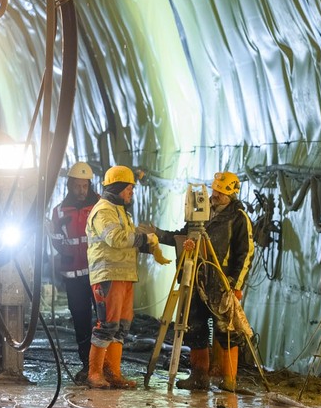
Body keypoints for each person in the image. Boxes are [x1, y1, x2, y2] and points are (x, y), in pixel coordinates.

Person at [151, 171, 254, 392]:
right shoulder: (201, 211)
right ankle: (199, 377)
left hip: (221, 281)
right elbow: (184, 235)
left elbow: (245, 255)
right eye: (214, 189)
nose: (215, 194)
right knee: (194, 328)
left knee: (227, 330)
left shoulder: (238, 218)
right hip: (196, 277)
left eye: (220, 191)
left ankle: (229, 380)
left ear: (231, 194)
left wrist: (235, 286)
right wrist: (158, 234)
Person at [85, 165, 171, 389]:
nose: (132, 192)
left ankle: (113, 373)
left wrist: (148, 245)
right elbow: (115, 238)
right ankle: (95, 373)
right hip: (108, 276)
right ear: (118, 187)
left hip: (124, 275)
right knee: (107, 325)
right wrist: (144, 239)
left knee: (121, 327)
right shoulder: (103, 210)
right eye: (129, 188)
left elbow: (127, 241)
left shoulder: (120, 210)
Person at [47, 161, 99, 381]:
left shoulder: (100, 207)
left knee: (106, 322)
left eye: (84, 186)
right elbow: (57, 243)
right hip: (74, 277)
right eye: (77, 186)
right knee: (81, 320)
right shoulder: (58, 212)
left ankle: (106, 367)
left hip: (98, 273)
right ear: (69, 185)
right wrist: (57, 233)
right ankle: (87, 366)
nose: (81, 191)